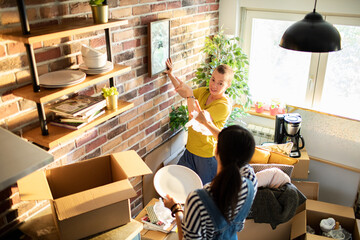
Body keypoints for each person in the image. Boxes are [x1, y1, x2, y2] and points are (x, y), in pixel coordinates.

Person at [163, 124, 258, 240]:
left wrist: (176, 209)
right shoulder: (251, 182)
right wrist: (205, 123)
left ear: (216, 149)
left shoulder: (197, 200)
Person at [164, 58, 233, 184]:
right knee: (177, 183)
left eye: (220, 83)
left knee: (203, 194)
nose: (214, 85)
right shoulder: (203, 92)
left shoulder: (223, 105)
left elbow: (196, 119)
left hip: (206, 157)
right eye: (213, 80)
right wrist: (170, 74)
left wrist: (190, 95)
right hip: (189, 151)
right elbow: (184, 92)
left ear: (228, 85)